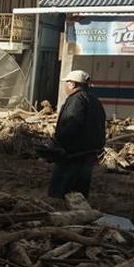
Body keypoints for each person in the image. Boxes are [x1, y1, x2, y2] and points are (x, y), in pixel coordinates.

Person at [48, 69, 106, 199]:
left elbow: (71, 123)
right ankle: (79, 213)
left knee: (61, 191)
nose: (65, 86)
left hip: (73, 154)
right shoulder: (95, 101)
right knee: (80, 192)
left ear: (72, 84)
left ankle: (62, 214)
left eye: (67, 83)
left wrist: (57, 143)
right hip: (90, 153)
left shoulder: (76, 100)